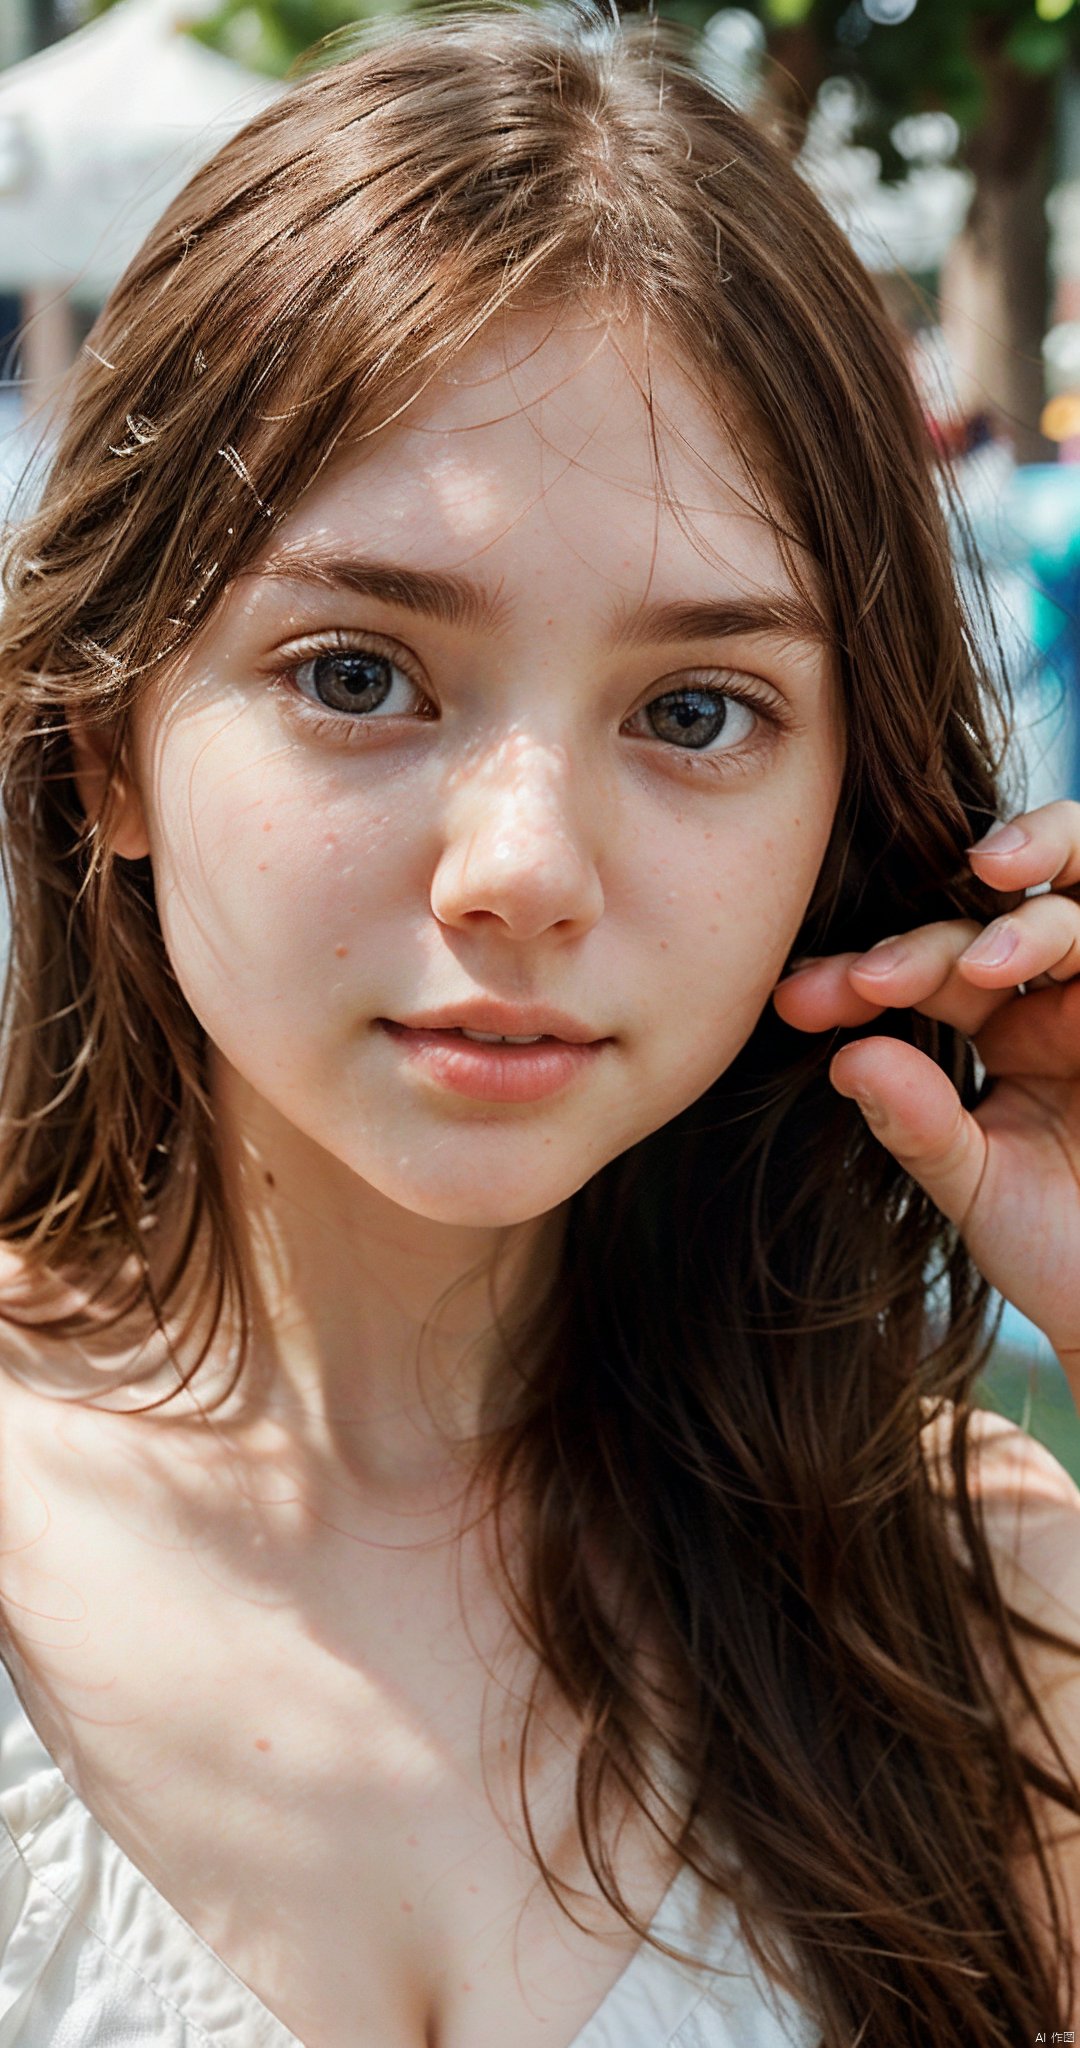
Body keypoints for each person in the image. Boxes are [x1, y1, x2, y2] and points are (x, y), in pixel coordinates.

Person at [0, 7, 1075, 2043]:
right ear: (104, 749)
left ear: (842, 807)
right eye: (357, 674)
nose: (522, 866)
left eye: (693, 713)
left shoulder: (981, 1599)